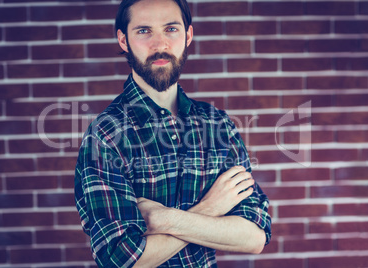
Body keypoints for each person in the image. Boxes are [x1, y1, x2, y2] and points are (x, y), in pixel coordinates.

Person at [74, 0, 272, 267]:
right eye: (144, 31)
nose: (160, 45)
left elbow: (254, 236)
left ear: (188, 35)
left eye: (171, 29)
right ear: (123, 40)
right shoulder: (106, 135)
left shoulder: (218, 125)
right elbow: (120, 260)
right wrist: (209, 210)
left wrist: (166, 219)